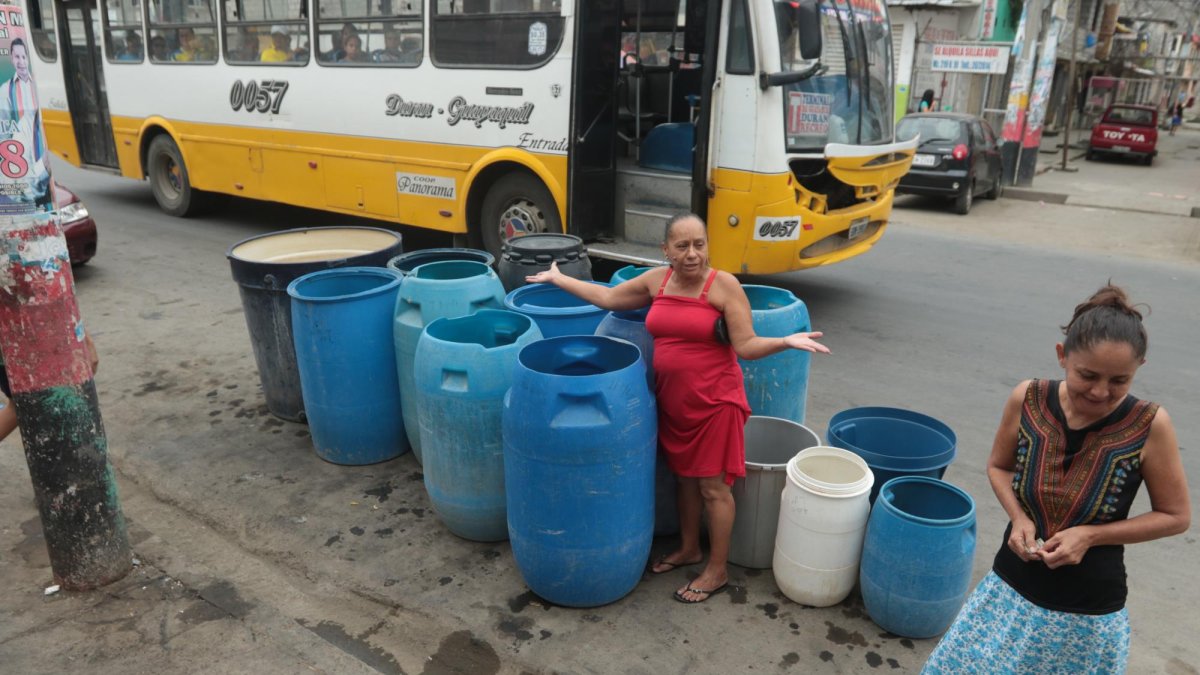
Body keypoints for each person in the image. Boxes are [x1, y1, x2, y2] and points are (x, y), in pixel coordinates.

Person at [525, 214, 830, 604]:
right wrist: (559, 278)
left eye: (699, 244)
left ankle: (717, 570)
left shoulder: (724, 287)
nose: (692, 254)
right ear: (665, 250)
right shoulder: (658, 282)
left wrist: (785, 340)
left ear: (707, 246)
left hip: (716, 402)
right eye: (682, 246)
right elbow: (608, 298)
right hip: (674, 402)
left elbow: (746, 346)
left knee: (714, 488)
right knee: (684, 479)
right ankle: (690, 549)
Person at [923, 285, 1191, 673]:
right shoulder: (1028, 398)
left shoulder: (1150, 426)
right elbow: (999, 467)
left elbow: (1176, 516)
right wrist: (1019, 517)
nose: (1101, 392)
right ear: (1062, 356)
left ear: (1139, 369)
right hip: (1007, 593)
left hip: (1085, 617)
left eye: (1120, 380)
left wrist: (1092, 535)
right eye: (1088, 375)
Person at [0, 335, 99, 444]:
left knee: (20, 406)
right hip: (21, 341)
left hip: (26, 341)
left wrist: (82, 335)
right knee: (30, 404)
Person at [0, 38, 52, 212]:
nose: (21, 62)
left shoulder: (39, 85)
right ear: (12, 58)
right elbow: (5, 134)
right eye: (17, 57)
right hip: (22, 148)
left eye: (24, 56)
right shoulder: (5, 91)